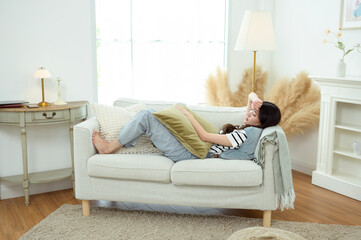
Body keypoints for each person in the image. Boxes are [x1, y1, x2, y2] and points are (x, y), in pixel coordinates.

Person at [92, 92, 281, 162]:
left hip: (190, 155)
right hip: (190, 149)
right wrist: (255, 100)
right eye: (251, 111)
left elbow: (206, 137)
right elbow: (250, 95)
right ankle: (120, 145)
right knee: (150, 113)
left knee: (146, 116)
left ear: (262, 122)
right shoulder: (250, 128)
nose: (248, 113)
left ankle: (109, 148)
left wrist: (188, 115)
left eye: (253, 114)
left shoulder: (244, 136)